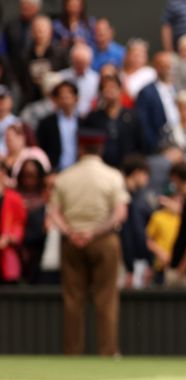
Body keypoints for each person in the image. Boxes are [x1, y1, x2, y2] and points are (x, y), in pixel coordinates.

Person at [45, 130, 129, 355]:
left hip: (72, 243)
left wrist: (72, 232)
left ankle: (72, 352)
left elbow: (53, 213)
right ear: (100, 149)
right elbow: (120, 214)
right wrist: (94, 232)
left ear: (80, 149)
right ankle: (108, 351)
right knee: (107, 299)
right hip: (104, 242)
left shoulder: (64, 177)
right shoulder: (113, 176)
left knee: (73, 300)